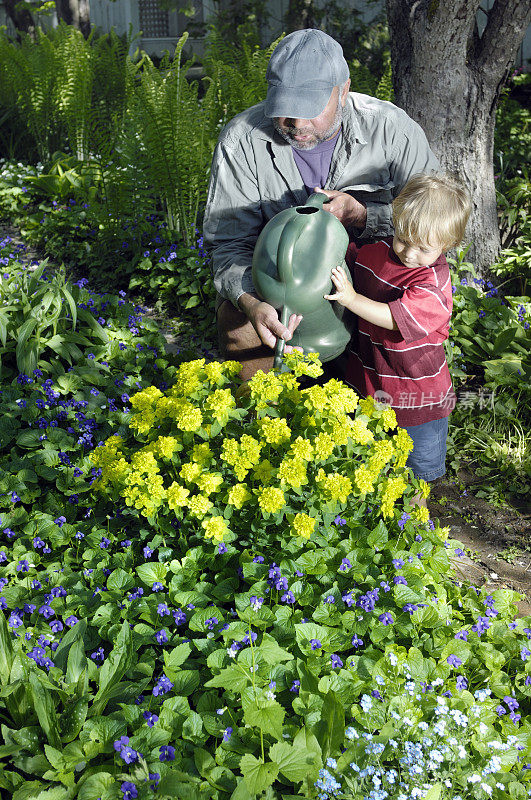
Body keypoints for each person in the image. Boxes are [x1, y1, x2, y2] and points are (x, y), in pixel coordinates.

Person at [203, 28, 440, 380]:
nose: (297, 125)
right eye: (284, 110)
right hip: (282, 292)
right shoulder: (242, 141)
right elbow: (228, 243)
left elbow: (437, 220)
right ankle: (258, 420)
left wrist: (363, 216)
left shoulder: (392, 130)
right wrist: (252, 303)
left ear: (342, 90)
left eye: (310, 109)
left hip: (374, 284)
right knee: (238, 328)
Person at [324, 173, 472, 493]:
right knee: (370, 460)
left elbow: (391, 317)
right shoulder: (377, 251)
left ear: (446, 246)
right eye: (403, 238)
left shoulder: (432, 287)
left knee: (414, 477)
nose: (408, 253)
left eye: (423, 248)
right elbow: (351, 260)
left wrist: (351, 298)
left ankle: (415, 532)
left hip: (417, 399)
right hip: (372, 379)